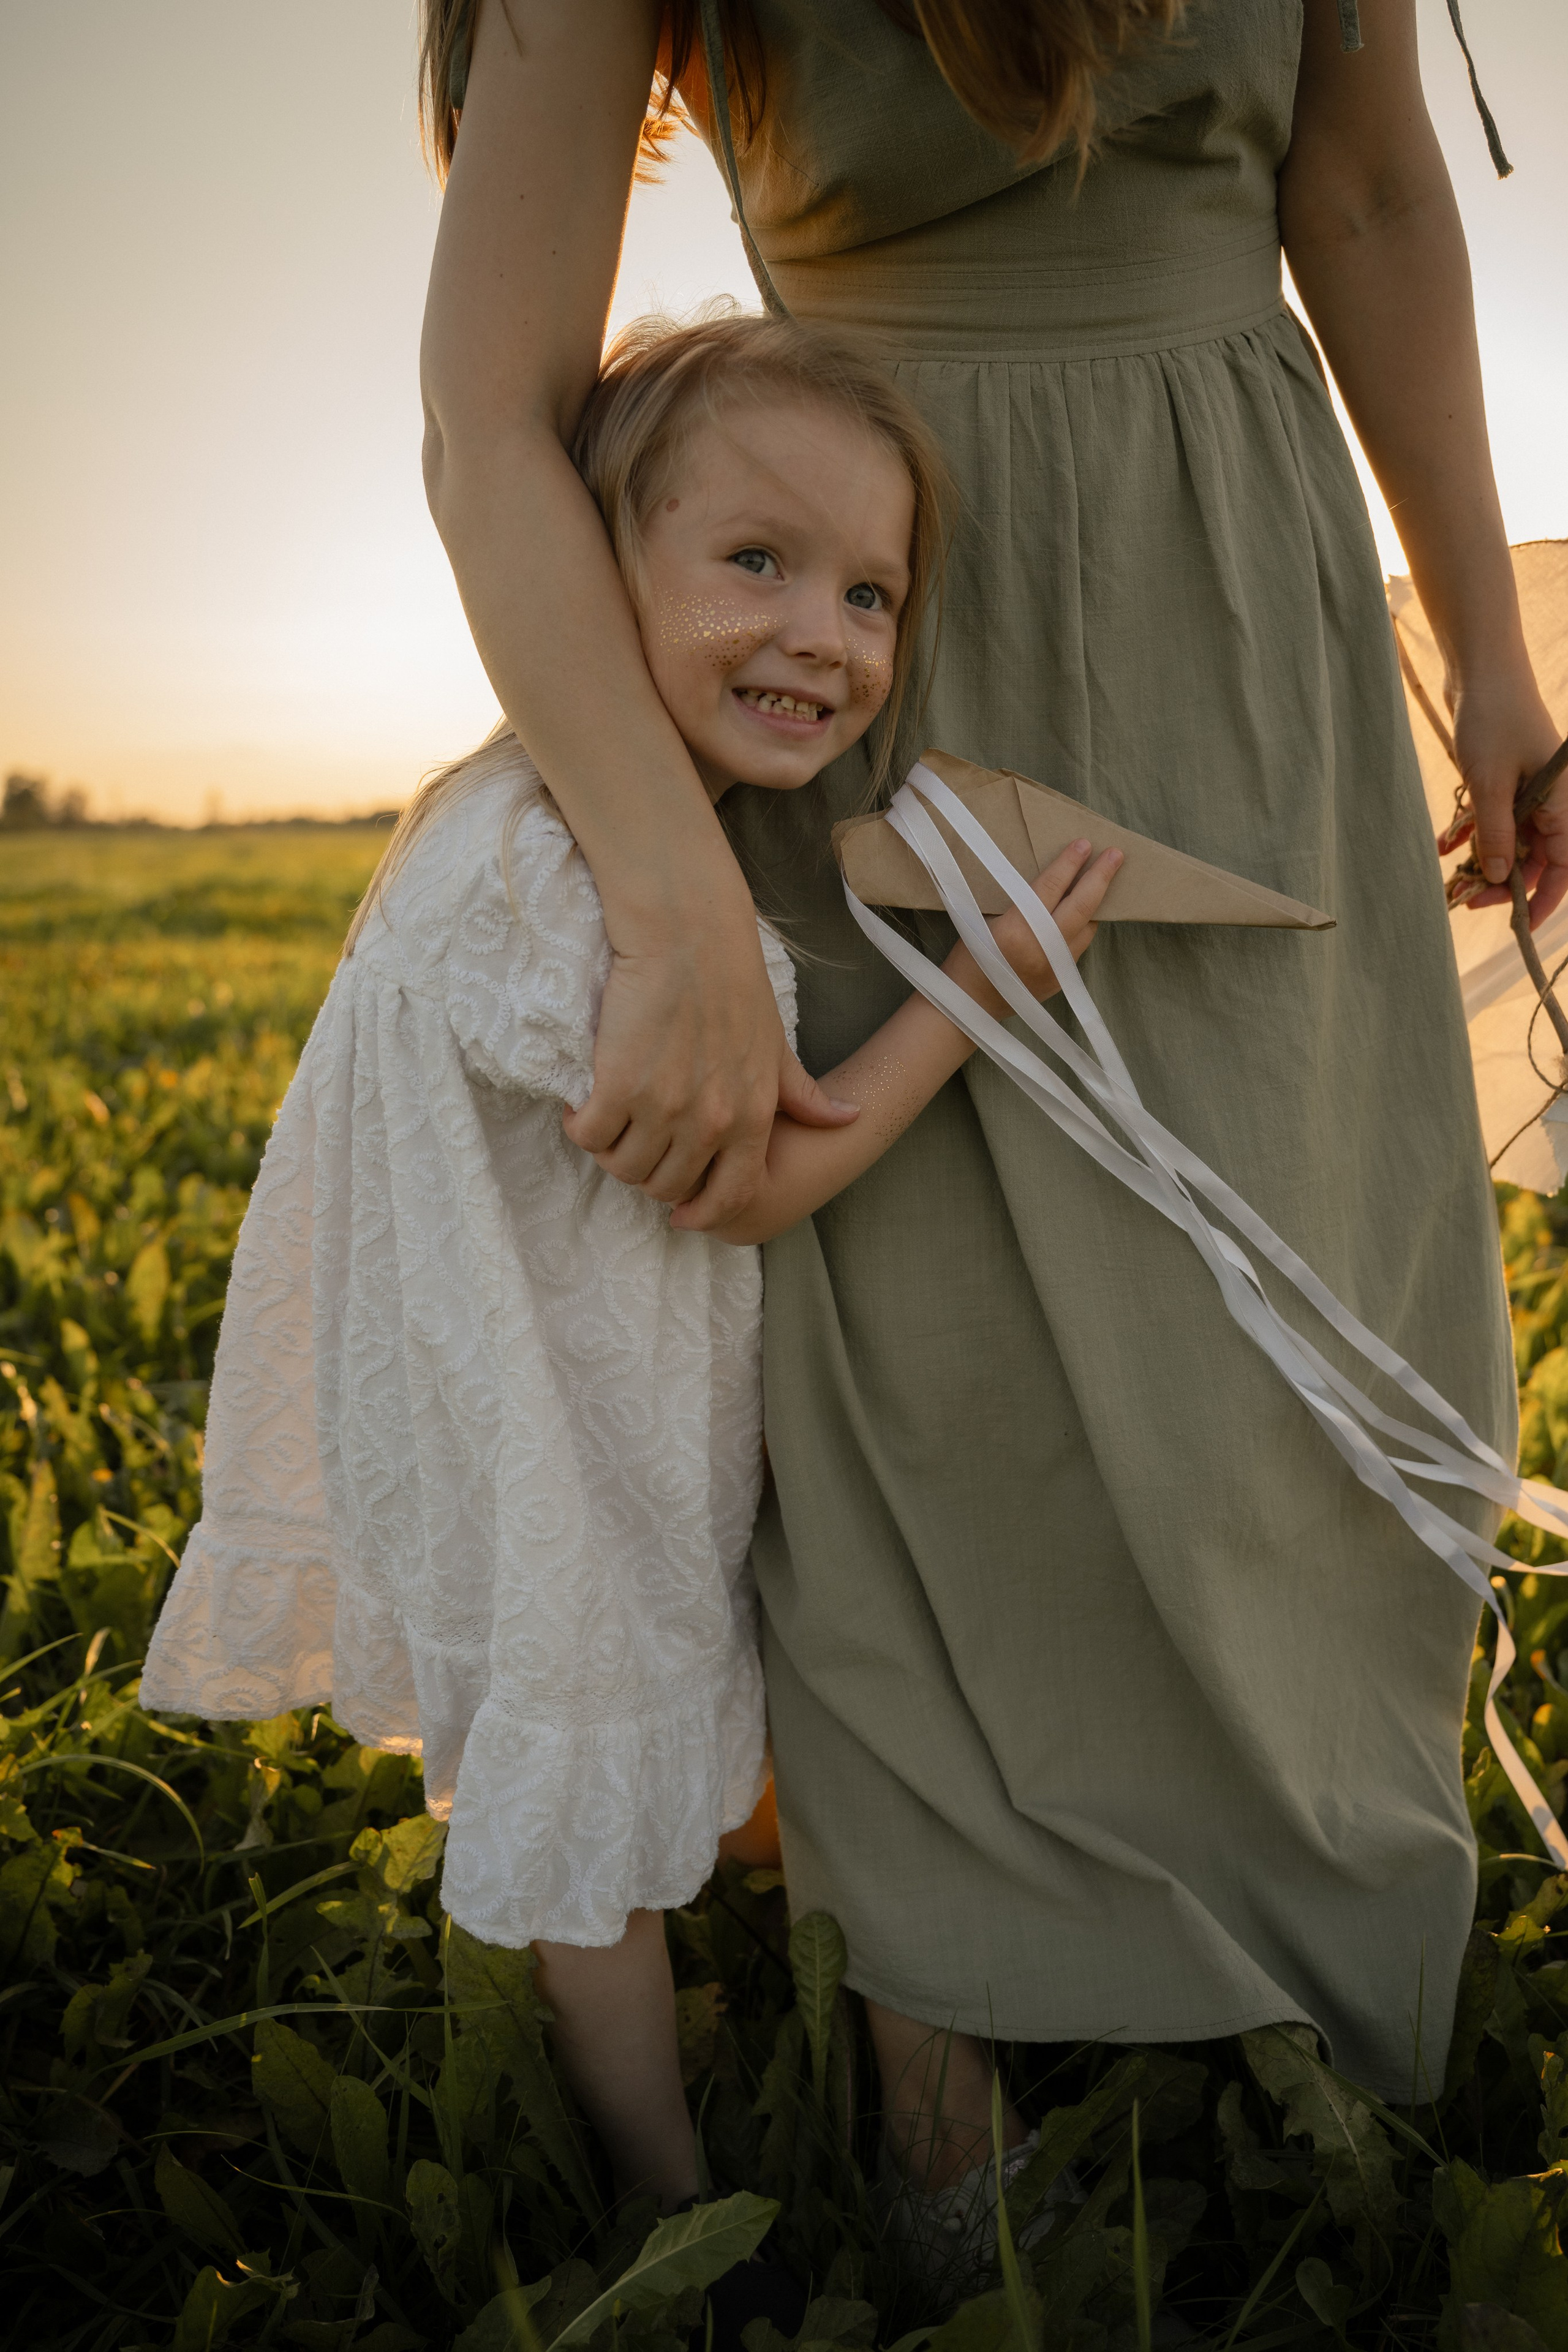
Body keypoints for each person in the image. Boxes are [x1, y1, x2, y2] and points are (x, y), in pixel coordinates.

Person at [412, 0, 1568, 2186]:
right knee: (913, 1351)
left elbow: (1377, 189)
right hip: (866, 595)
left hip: (1241, 566)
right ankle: (934, 2036)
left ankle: (1312, 1957)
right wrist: (668, 897)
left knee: (1312, 1234)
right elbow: (492, 409)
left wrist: (1493, 652)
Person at [136, 309, 1121, 2214]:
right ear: (591, 574)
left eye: (867, 589)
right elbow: (744, 1180)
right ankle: (672, 2200)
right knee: (588, 1793)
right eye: (753, 561)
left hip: (540, 1371)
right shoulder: (567, 870)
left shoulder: (543, 826)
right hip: (548, 1429)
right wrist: (978, 994)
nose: (822, 636)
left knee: (645, 1729)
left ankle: (743, 1997)